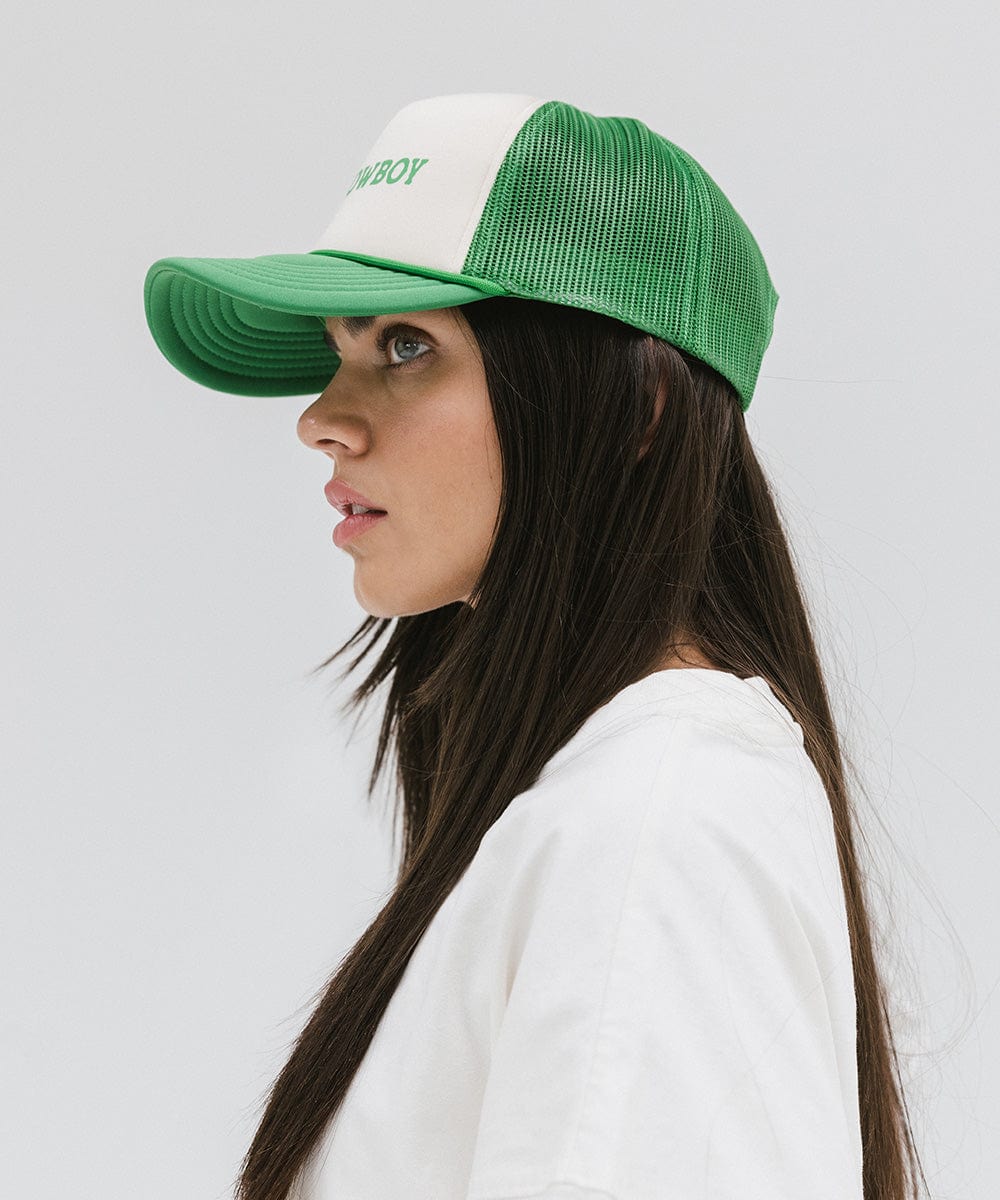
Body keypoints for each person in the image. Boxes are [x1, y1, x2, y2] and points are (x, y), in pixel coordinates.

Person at [143, 93, 928, 1200]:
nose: (321, 416)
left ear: (640, 409)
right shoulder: (608, 804)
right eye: (339, 349)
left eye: (405, 345)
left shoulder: (661, 821)